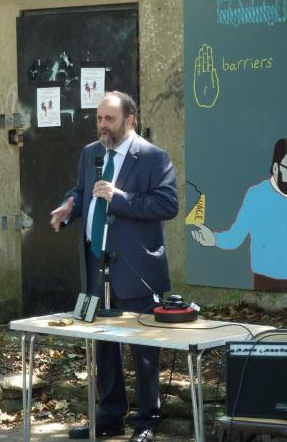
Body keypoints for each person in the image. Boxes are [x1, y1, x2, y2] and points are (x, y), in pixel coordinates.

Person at [50, 91, 178, 442]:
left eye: (109, 119)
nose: (102, 126)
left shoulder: (153, 158)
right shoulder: (91, 153)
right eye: (98, 119)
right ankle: (110, 415)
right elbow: (82, 191)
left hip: (137, 267)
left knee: (144, 346)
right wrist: (69, 207)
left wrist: (118, 199)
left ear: (130, 119)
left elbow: (167, 204)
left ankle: (148, 420)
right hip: (97, 264)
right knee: (103, 345)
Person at [191, 138, 287, 291]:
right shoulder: (257, 195)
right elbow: (235, 237)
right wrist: (213, 239)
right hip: (266, 281)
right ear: (276, 168)